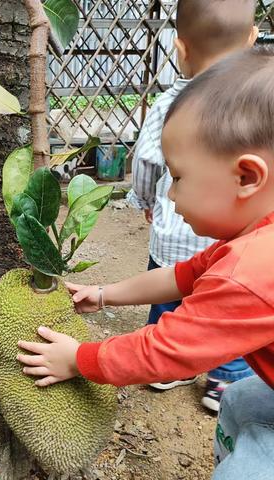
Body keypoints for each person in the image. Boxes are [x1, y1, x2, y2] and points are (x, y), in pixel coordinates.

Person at [17, 46, 274, 479]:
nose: (170, 195)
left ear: (246, 177)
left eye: (178, 176)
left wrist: (78, 358)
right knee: (238, 400)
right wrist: (104, 296)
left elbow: (164, 351)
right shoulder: (251, 239)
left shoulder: (250, 271)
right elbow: (183, 276)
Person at [126, 0, 258, 411]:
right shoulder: (261, 103)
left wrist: (146, 200)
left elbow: (147, 161)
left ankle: (172, 367)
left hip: (173, 236)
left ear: (180, 49)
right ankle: (227, 377)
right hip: (219, 247)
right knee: (228, 322)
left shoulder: (170, 103)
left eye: (177, 178)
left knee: (172, 310)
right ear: (252, 39)